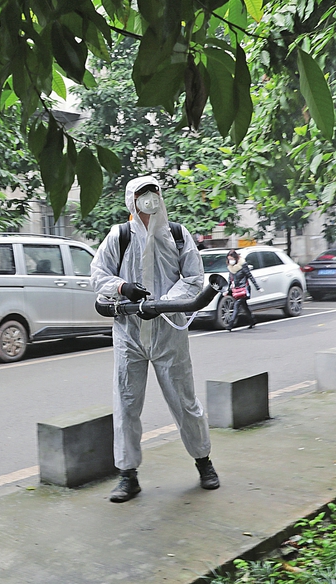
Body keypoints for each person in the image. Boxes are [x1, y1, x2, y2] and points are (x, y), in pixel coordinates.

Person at [91, 176, 219, 502]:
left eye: (153, 193)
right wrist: (123, 288)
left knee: (185, 402)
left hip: (168, 334)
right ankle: (127, 474)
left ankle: (203, 461)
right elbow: (98, 275)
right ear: (130, 200)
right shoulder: (119, 236)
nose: (148, 200)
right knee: (126, 405)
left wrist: (161, 304)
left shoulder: (177, 235)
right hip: (129, 334)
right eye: (141, 195)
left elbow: (193, 278)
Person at [225, 250, 262, 331]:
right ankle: (252, 321)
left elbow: (250, 276)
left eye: (231, 259)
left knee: (236, 305)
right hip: (236, 290)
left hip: (244, 289)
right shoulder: (230, 268)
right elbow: (230, 279)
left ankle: (230, 324)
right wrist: (227, 290)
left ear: (235, 258)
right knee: (244, 306)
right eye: (229, 259)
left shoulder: (242, 265)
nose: (230, 261)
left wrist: (257, 287)